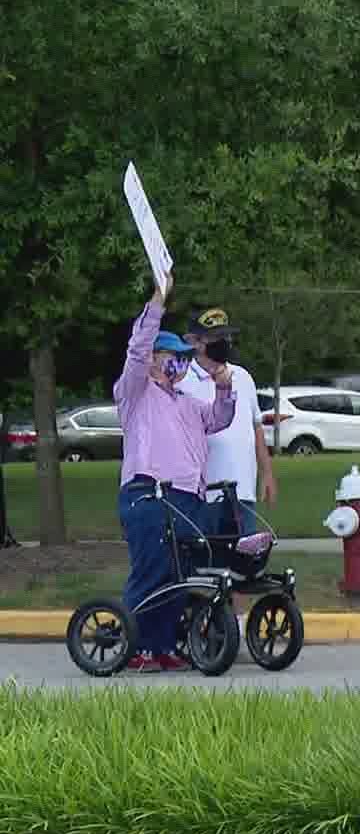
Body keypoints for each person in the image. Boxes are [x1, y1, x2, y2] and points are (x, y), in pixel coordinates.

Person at [115, 273, 237, 673]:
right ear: (154, 358)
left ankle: (162, 644)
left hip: (186, 498)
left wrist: (222, 388)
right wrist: (157, 302)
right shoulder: (135, 392)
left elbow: (219, 419)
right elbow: (135, 352)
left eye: (186, 356)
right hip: (148, 493)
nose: (182, 362)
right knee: (151, 569)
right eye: (174, 355)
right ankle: (133, 645)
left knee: (178, 576)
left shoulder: (187, 401)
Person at [180, 307, 276, 535]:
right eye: (217, 338)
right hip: (202, 494)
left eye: (227, 336)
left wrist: (267, 473)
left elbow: (256, 427)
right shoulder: (182, 379)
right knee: (206, 562)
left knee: (244, 561)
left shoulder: (243, 376)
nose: (225, 342)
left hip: (242, 492)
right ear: (196, 342)